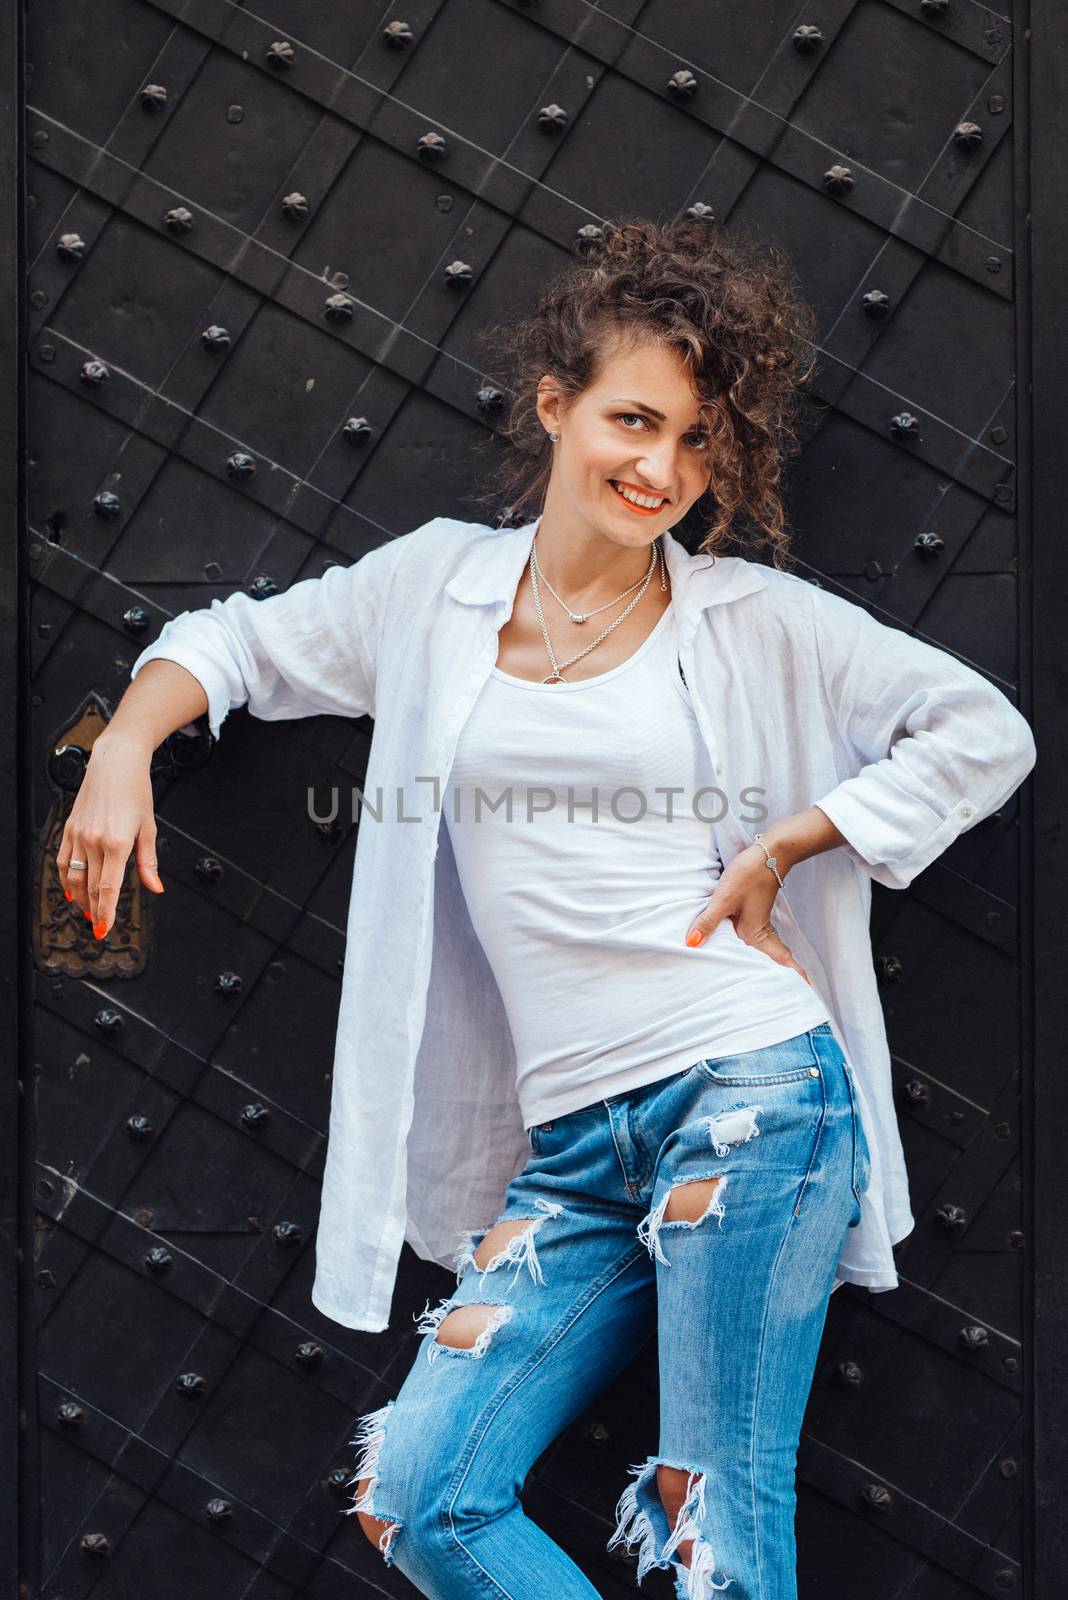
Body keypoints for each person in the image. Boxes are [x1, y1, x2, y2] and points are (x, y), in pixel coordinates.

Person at [58, 216, 1037, 1599]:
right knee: (420, 1495)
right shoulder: (435, 587)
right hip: (574, 1143)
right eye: (634, 420)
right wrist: (122, 747)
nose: (662, 470)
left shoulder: (748, 617)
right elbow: (239, 644)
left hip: (750, 1098)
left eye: (701, 442)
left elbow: (982, 729)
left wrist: (803, 840)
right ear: (555, 405)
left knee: (717, 1525)